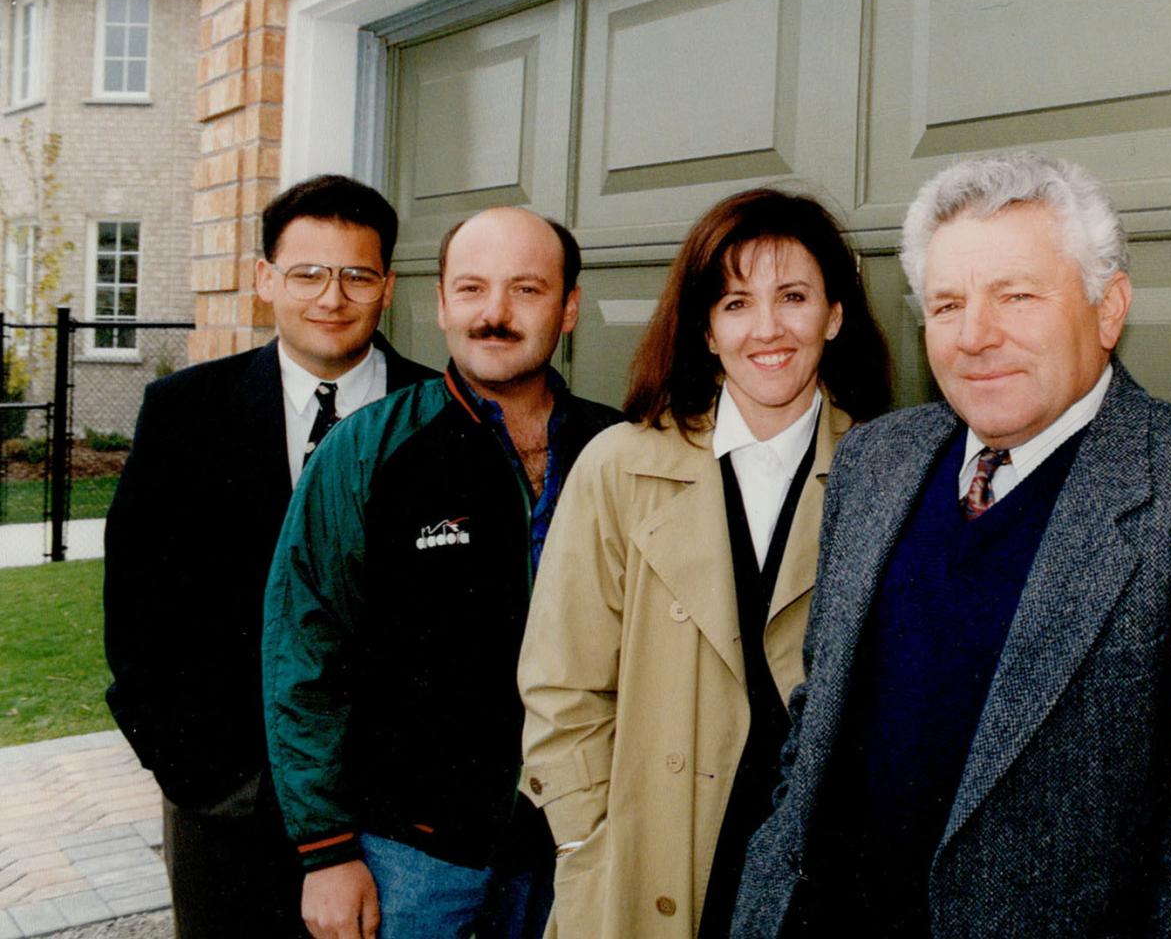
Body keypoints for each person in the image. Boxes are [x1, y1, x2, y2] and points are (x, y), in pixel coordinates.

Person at [731, 151, 1171, 937]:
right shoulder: (874, 460)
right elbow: (819, 719)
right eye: (946, 305)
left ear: (1109, 307)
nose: (974, 337)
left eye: (1016, 296)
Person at [517, 188, 892, 938]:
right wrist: (584, 837)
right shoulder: (621, 465)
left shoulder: (888, 471)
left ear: (835, 315)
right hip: (644, 865)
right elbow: (562, 683)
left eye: (793, 297)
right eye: (735, 303)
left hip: (813, 878)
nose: (768, 329)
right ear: (706, 330)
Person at [262, 207, 622, 939]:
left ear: (570, 307)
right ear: (440, 304)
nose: (495, 314)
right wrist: (325, 850)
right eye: (472, 289)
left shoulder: (618, 449)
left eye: (526, 290)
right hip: (411, 860)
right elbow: (304, 649)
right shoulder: (368, 450)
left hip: (581, 844)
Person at [103, 174, 436, 938]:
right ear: (265, 280)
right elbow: (137, 616)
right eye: (308, 273)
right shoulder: (184, 414)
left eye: (356, 275)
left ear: (387, 286)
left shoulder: (439, 419)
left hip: (398, 821)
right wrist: (199, 776)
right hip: (226, 804)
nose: (332, 297)